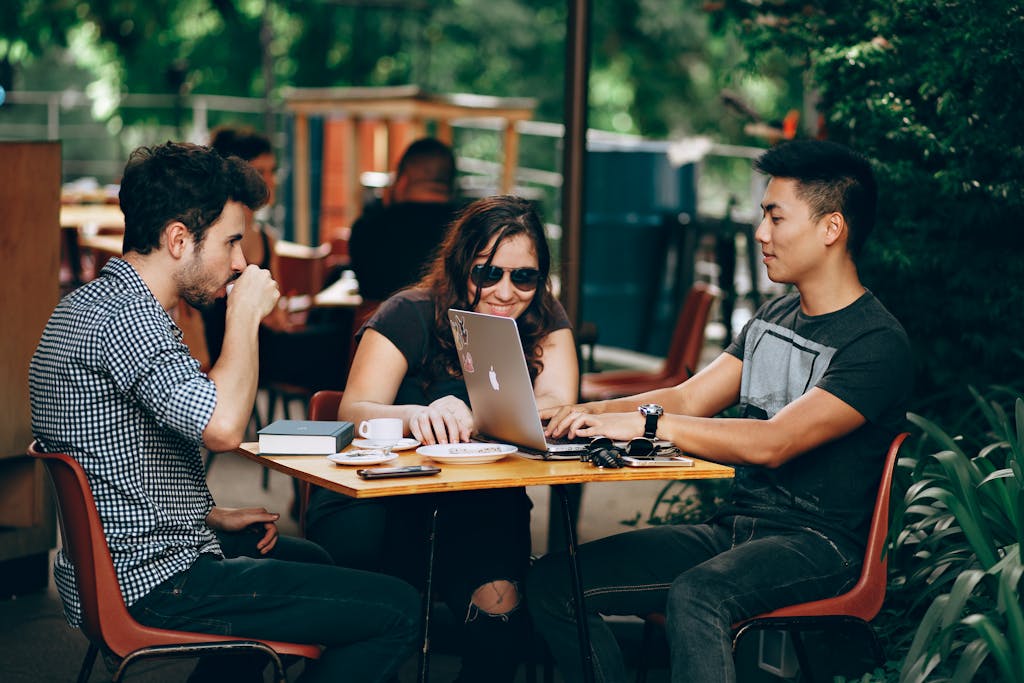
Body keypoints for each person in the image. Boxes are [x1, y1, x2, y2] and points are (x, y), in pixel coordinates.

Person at [28, 141, 420, 683]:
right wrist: (244, 317)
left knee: (316, 564)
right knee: (398, 610)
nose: (241, 261)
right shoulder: (129, 321)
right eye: (232, 241)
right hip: (153, 580)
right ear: (178, 240)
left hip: (117, 563)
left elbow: (112, 459)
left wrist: (204, 516)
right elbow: (224, 428)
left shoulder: (88, 305)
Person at [528, 139, 914, 683]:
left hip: (820, 546)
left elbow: (775, 441)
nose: (761, 233)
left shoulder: (876, 342)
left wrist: (641, 422)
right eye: (763, 216)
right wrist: (579, 413)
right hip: (735, 530)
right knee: (554, 585)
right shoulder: (776, 313)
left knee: (698, 595)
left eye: (776, 218)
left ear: (831, 229)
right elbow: (688, 398)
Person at [305, 195, 579, 682]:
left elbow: (557, 405)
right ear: (460, 267)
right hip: (380, 498)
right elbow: (352, 412)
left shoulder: (543, 318)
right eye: (487, 273)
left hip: (477, 504)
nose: (505, 290)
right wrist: (419, 414)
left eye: (524, 276)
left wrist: (477, 414)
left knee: (500, 626)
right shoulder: (408, 312)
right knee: (383, 615)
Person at [348, 137, 462, 302]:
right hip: (446, 326)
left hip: (379, 325)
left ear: (402, 180)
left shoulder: (367, 228)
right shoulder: (468, 228)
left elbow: (366, 290)